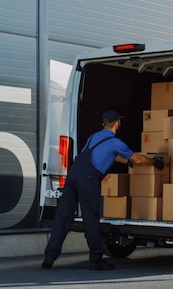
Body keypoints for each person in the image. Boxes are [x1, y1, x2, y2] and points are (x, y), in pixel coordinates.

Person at [42, 110, 164, 270]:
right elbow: (138, 159)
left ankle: (49, 258)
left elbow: (107, 155)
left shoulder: (93, 137)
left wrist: (126, 163)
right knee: (91, 219)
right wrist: (155, 162)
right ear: (117, 123)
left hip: (72, 177)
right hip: (88, 180)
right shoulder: (116, 142)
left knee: (63, 217)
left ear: (103, 124)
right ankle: (96, 260)